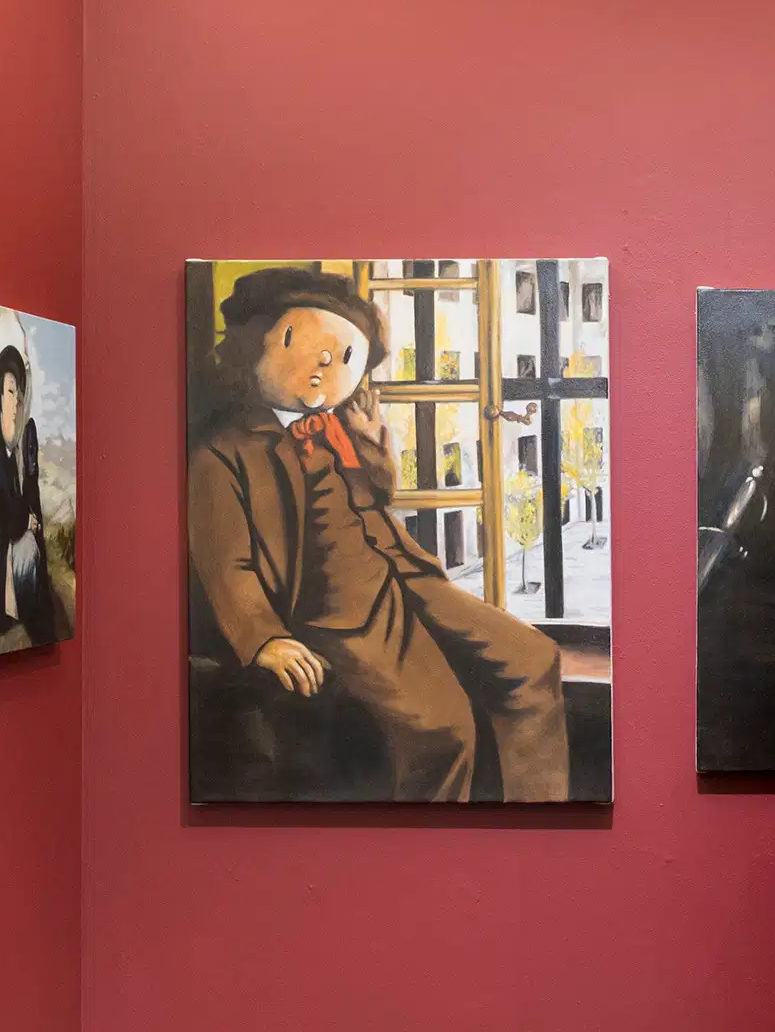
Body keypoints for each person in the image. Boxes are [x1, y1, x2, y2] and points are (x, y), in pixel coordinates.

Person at [188, 267, 569, 802]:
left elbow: (378, 495)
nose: (324, 367)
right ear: (254, 343)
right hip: (335, 608)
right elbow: (228, 564)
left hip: (405, 574)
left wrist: (372, 440)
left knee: (532, 658)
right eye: (302, 343)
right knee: (443, 729)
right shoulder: (222, 453)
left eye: (345, 358)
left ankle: (540, 814)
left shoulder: (337, 426)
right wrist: (264, 637)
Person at [0, 342, 60, 645]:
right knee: (27, 551)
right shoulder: (1, 460)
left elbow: (28, 492)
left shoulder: (22, 446)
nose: (16, 402)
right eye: (10, 392)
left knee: (31, 552)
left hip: (21, 540)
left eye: (19, 394)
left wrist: (31, 520)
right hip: (6, 552)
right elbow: (7, 517)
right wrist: (27, 522)